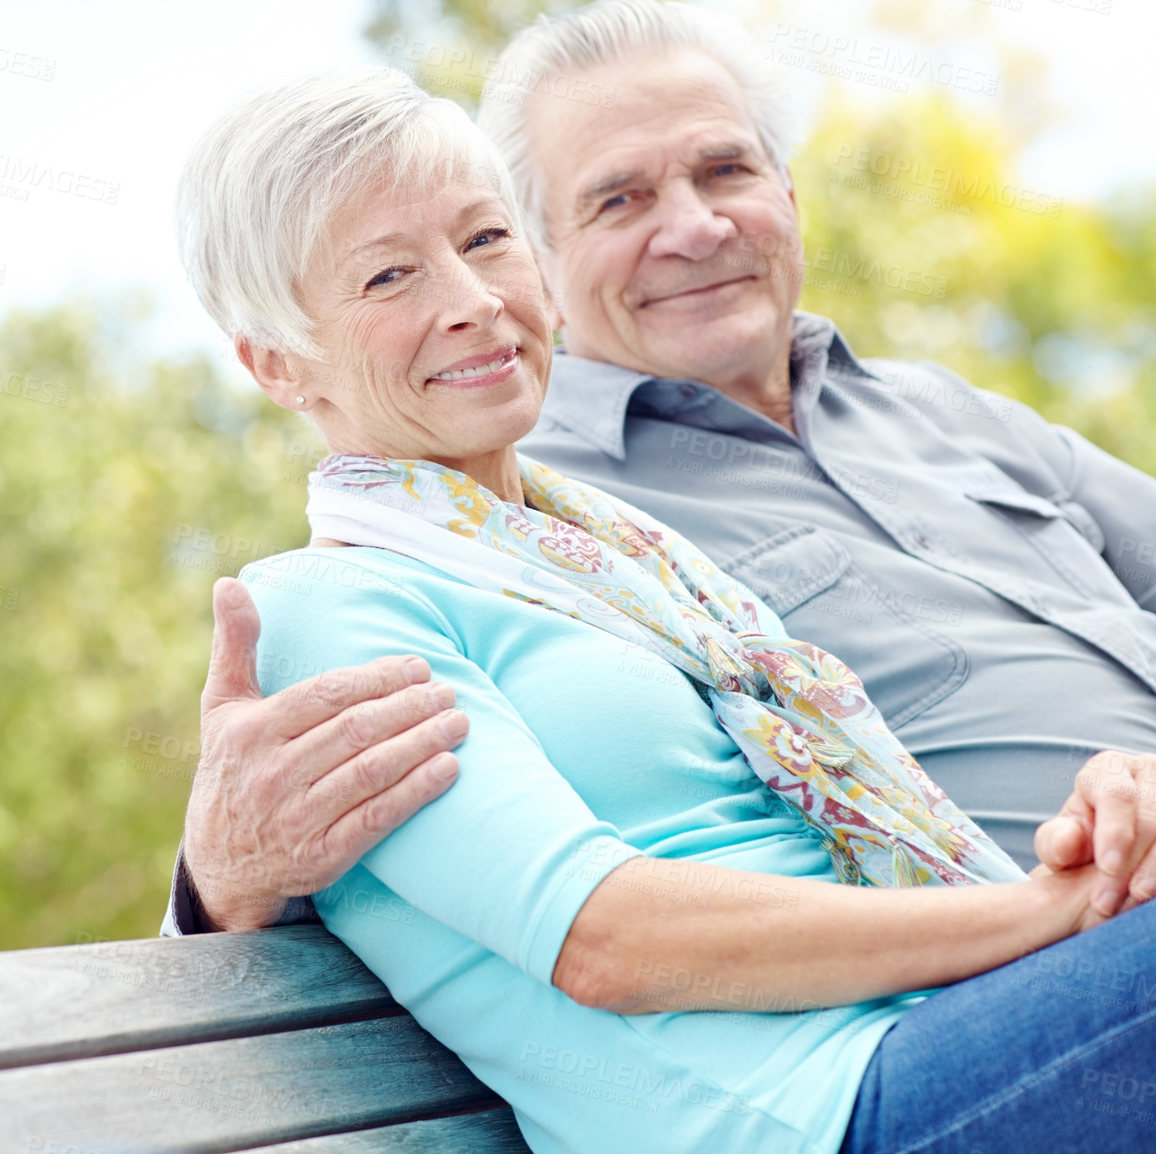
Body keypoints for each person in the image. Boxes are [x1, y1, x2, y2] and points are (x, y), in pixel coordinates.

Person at [171, 63, 1156, 1154]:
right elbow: (602, 938)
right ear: (277, 363)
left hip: (936, 1032)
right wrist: (1047, 908)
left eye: (486, 239)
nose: (471, 298)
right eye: (390, 276)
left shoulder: (618, 557)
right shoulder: (326, 605)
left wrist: (1104, 819)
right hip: (814, 1106)